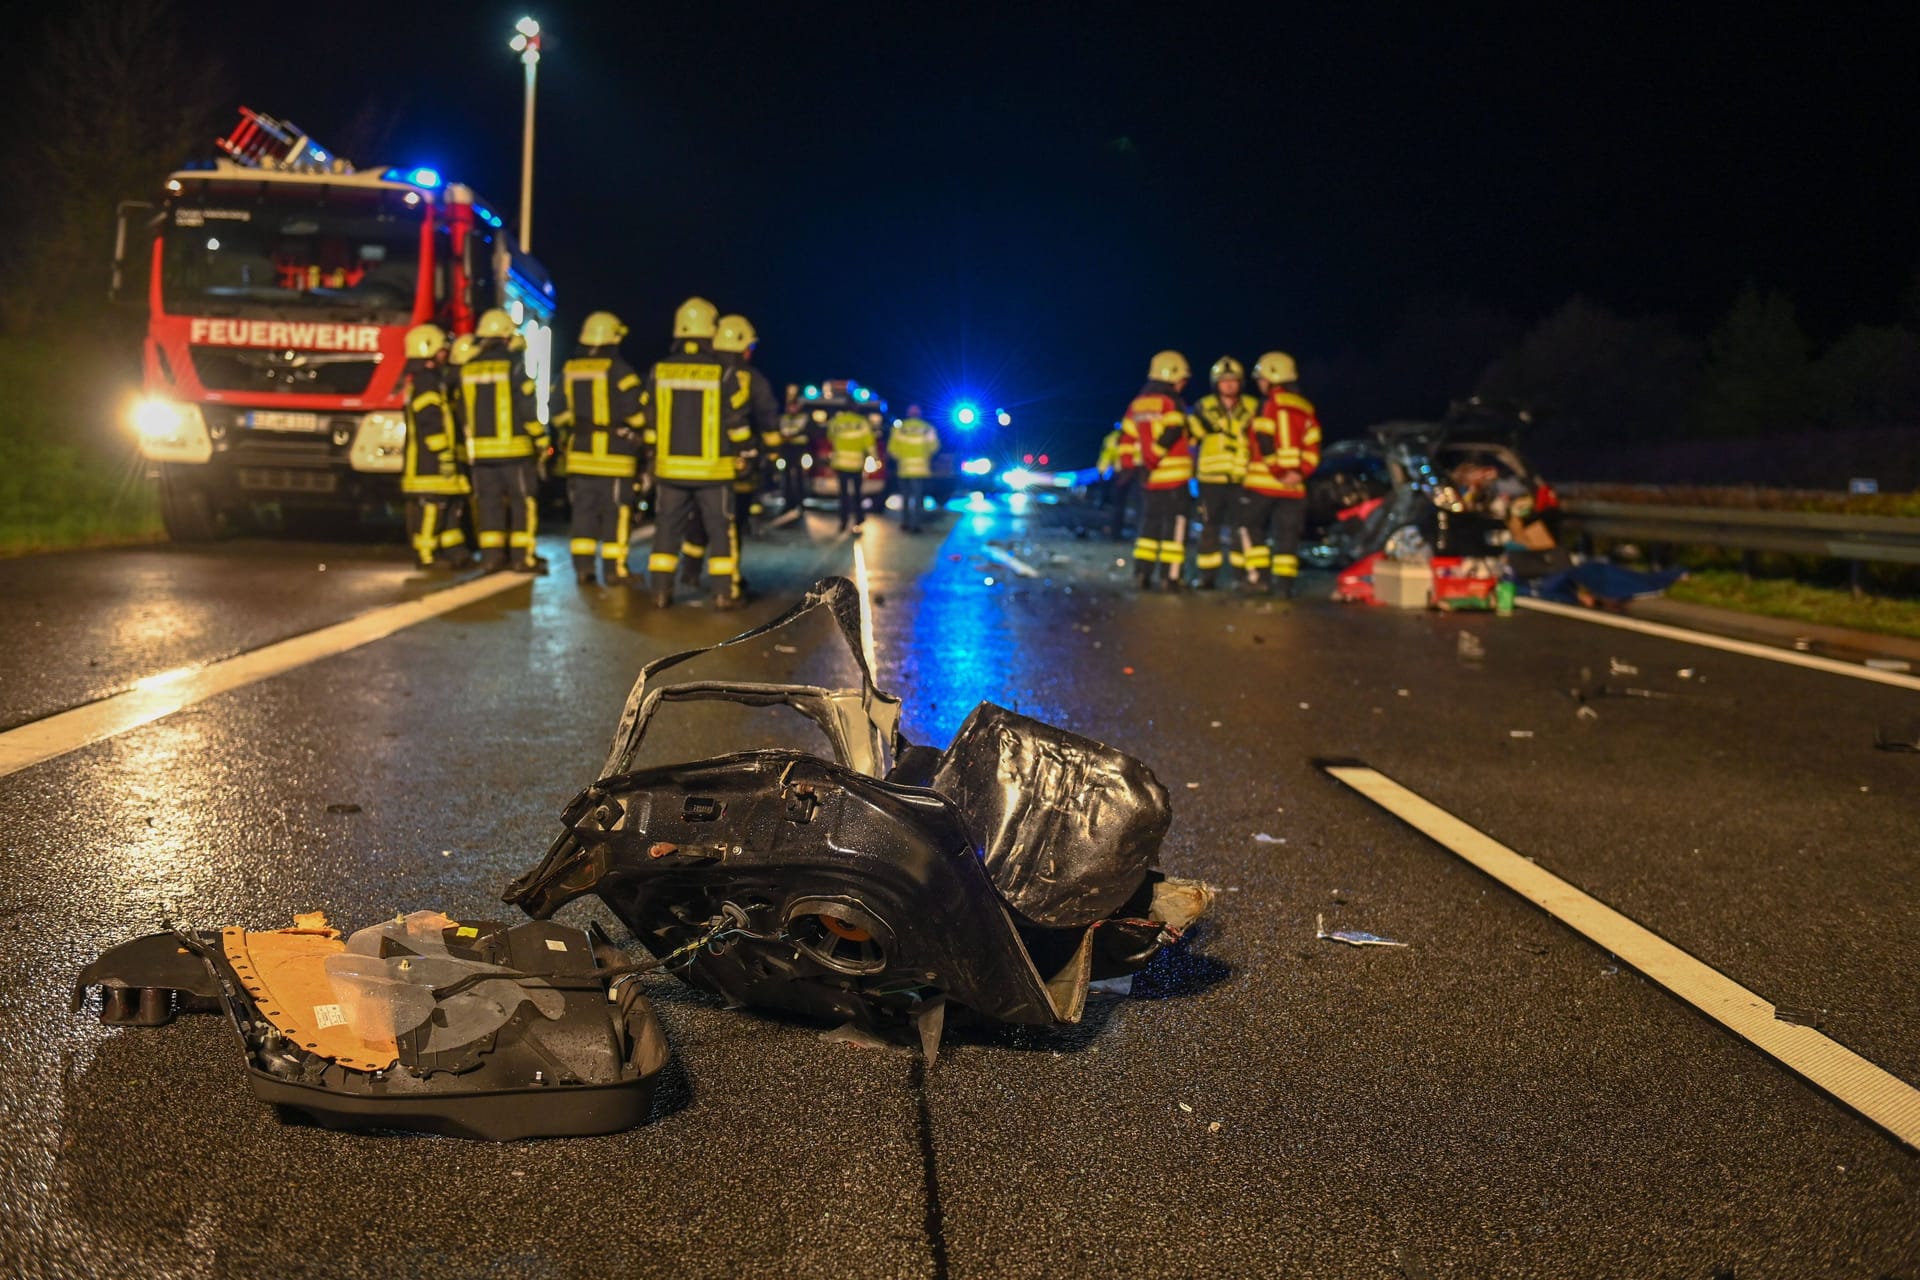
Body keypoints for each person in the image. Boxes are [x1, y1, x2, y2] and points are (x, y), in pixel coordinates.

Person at [639, 297, 755, 609]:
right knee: (720, 532)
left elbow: (649, 418)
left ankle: (660, 592)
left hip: (669, 470)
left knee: (666, 530)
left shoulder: (659, 370)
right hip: (713, 473)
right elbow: (736, 421)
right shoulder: (723, 373)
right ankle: (723, 593)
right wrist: (748, 452)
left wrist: (651, 453)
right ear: (710, 331)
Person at [557, 311, 645, 586]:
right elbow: (637, 416)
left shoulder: (569, 369)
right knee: (615, 513)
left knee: (583, 514)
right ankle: (614, 570)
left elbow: (558, 414)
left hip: (580, 456)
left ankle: (583, 569)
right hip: (615, 458)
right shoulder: (621, 371)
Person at [459, 308, 547, 573]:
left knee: (488, 504)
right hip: (516, 452)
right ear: (507, 337)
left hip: (481, 454)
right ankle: (522, 558)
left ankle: (492, 558)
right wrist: (540, 437)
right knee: (523, 502)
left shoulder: (468, 368)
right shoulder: (516, 365)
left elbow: (462, 410)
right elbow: (526, 406)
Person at [1238, 350, 1322, 596]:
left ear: (1273, 377)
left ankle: (1259, 579)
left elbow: (1264, 438)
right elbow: (1313, 445)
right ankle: (1284, 586)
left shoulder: (1268, 404)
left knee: (1251, 528)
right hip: (1294, 488)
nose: (1260, 383)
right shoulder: (1306, 407)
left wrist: (1277, 471)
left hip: (1264, 483)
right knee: (1287, 536)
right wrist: (1300, 473)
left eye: (1261, 378)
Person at [398, 324, 469, 571]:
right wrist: (444, 454)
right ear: (428, 351)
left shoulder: (426, 381)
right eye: (441, 350)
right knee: (432, 507)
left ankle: (451, 552)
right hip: (428, 462)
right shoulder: (426, 383)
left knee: (444, 507)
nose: (445, 354)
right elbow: (430, 423)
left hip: (429, 460)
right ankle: (426, 555)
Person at [1122, 350, 1194, 590]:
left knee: (1148, 526)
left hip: (1148, 478)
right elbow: (1173, 430)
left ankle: (1142, 574)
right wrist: (1154, 456)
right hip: (1174, 477)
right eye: (1183, 379)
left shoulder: (1137, 403)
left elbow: (1127, 438)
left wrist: (1132, 465)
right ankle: (1170, 578)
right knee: (1175, 527)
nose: (1183, 384)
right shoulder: (1171, 401)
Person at [715, 314, 780, 570]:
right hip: (740, 461)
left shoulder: (704, 372)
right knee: (733, 520)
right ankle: (729, 578)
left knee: (700, 521)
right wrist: (772, 455)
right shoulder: (750, 378)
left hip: (700, 462)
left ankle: (691, 570)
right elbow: (767, 415)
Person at [1189, 356, 1255, 588]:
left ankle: (1243, 576)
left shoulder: (1252, 407)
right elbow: (1191, 441)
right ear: (1215, 383)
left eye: (1233, 380)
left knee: (1242, 528)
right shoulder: (1203, 406)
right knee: (1209, 528)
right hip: (1210, 479)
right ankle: (1207, 577)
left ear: (1241, 383)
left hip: (1241, 478)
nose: (1228, 385)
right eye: (1223, 381)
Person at [887, 405, 940, 532]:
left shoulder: (900, 428)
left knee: (905, 498)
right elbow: (935, 447)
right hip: (920, 469)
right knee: (917, 498)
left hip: (904, 468)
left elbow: (892, 449)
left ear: (908, 413)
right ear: (920, 414)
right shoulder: (927, 428)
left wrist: (901, 458)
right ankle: (915, 525)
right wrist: (925, 455)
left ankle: (905, 523)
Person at [826, 405, 876, 531]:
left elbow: (830, 437)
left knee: (843, 494)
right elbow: (869, 442)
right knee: (857, 493)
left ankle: (843, 521)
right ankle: (858, 518)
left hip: (841, 464)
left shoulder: (836, 421)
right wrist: (875, 457)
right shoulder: (862, 422)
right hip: (856, 464)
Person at [776, 385, 811, 514]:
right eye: (789, 405)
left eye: (793, 405)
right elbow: (779, 430)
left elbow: (807, 431)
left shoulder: (803, 417)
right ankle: (788, 503)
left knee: (799, 477)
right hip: (786, 449)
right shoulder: (783, 418)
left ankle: (800, 503)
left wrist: (791, 436)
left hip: (799, 449)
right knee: (786, 477)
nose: (791, 408)